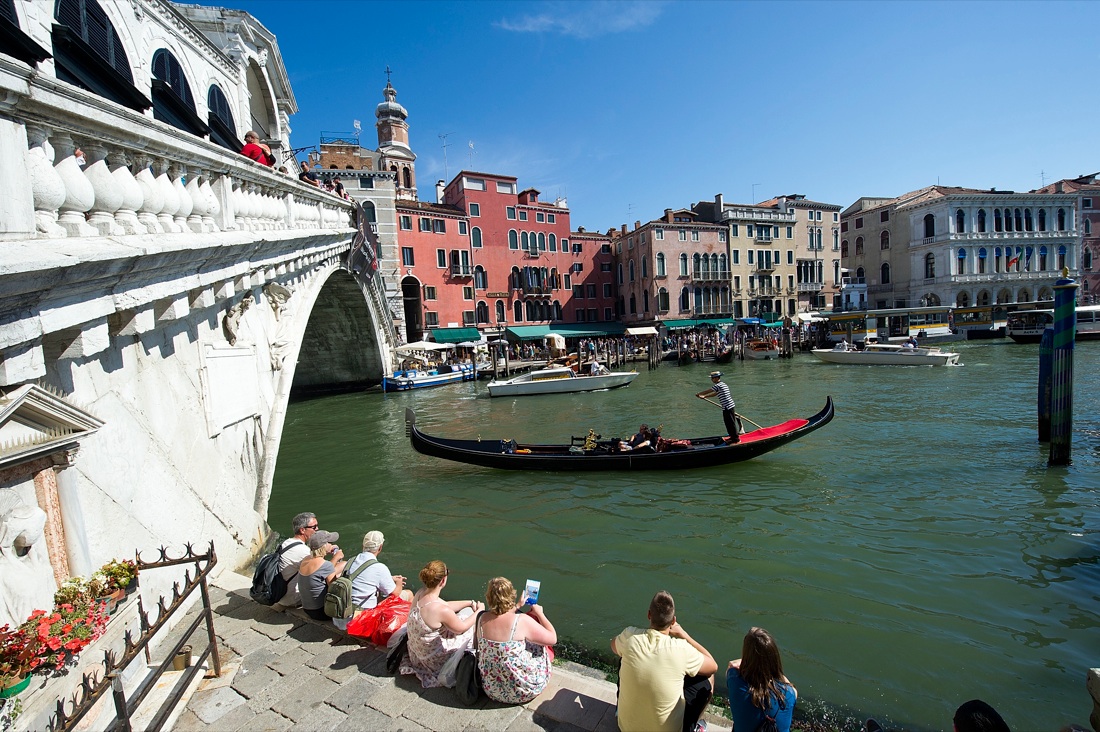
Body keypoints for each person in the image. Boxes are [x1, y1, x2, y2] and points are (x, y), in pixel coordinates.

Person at [613, 590, 717, 732]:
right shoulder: (681, 649)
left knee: (623, 656)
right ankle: (691, 728)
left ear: (649, 615)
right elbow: (713, 666)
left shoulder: (629, 635)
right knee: (709, 678)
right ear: (673, 620)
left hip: (626, 728)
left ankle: (621, 710)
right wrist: (684, 635)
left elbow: (613, 645)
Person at [399, 560, 484, 688]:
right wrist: (479, 611)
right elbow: (461, 629)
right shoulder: (440, 611)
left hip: (418, 654)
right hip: (435, 661)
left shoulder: (420, 594)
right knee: (473, 628)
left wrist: (469, 602)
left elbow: (445, 605)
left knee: (463, 614)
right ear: (443, 580)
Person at [477, 576, 557, 704]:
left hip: (492, 689)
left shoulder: (481, 619)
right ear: (511, 595)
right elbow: (552, 639)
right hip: (522, 692)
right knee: (539, 644)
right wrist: (540, 614)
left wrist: (518, 606)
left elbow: (500, 616)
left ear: (488, 597)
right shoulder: (521, 621)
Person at [333, 530, 413, 631]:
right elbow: (396, 594)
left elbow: (363, 577)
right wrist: (399, 582)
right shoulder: (379, 567)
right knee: (409, 594)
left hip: (339, 618)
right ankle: (411, 630)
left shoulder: (351, 561)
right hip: (357, 623)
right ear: (380, 547)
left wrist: (389, 578)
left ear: (363, 545)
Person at [727, 627, 797, 732]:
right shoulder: (789, 695)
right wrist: (775, 670)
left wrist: (744, 661)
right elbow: (790, 687)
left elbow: (731, 666)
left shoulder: (736, 683)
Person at [272, 512, 318, 611]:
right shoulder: (303, 550)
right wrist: (336, 558)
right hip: (292, 599)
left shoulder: (285, 543)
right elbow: (320, 573)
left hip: (278, 595)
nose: (317, 529)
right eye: (314, 527)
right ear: (302, 530)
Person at [297, 530, 345, 621]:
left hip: (307, 609)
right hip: (322, 612)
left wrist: (334, 559)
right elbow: (334, 589)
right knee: (343, 577)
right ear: (324, 546)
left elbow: (322, 570)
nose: (332, 544)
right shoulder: (326, 565)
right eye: (330, 542)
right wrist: (336, 557)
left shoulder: (306, 559)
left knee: (342, 565)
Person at [695, 371, 739, 443]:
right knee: (727, 423)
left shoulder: (718, 385)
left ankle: (736, 439)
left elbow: (709, 391)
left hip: (728, 406)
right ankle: (732, 436)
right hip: (727, 406)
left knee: (731, 423)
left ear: (716, 378)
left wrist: (699, 394)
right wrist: (705, 396)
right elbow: (715, 394)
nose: (711, 380)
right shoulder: (722, 384)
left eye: (712, 378)